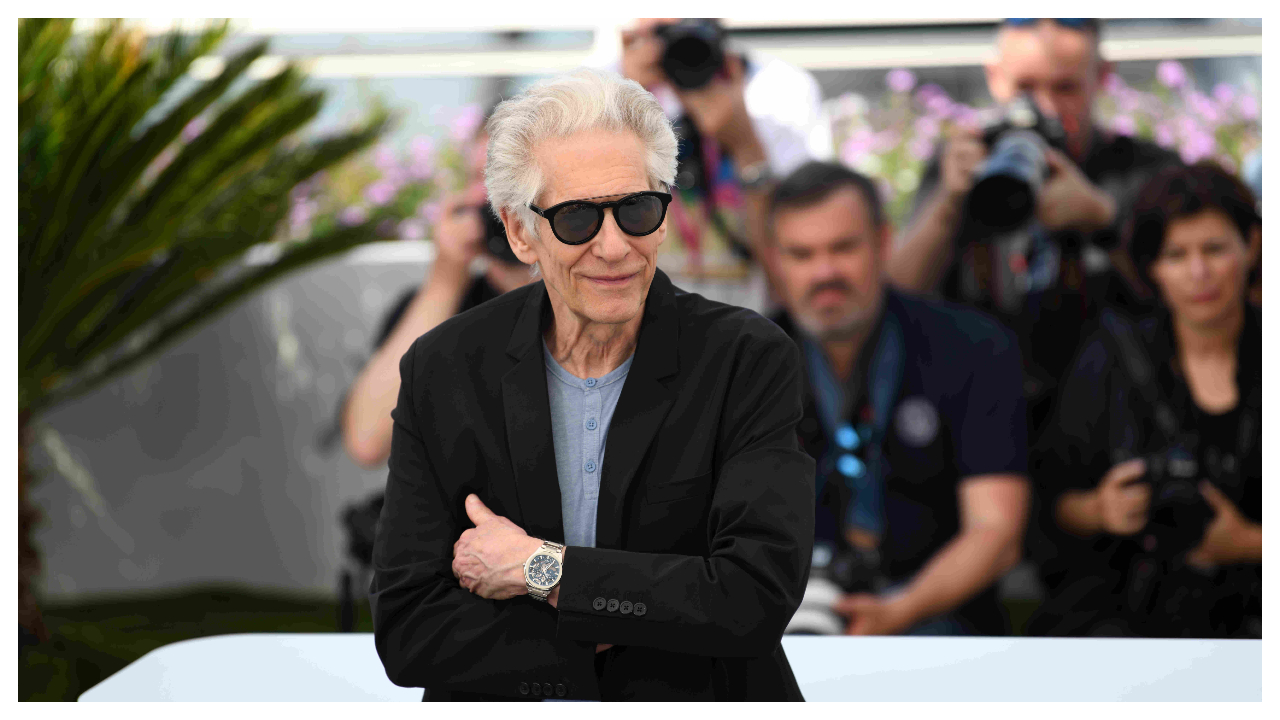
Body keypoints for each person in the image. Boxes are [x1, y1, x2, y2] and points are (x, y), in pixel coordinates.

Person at [370, 68, 814, 701]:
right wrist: (636, 610)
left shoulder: (746, 358)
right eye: (577, 218)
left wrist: (538, 569)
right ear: (519, 231)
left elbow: (753, 599)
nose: (614, 247)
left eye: (637, 210)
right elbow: (409, 631)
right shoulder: (444, 368)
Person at [764, 160, 1029, 636]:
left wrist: (900, 610)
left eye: (843, 248)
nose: (824, 272)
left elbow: (996, 532)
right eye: (801, 255)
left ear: (883, 242)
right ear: (776, 261)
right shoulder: (742, 363)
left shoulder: (974, 347)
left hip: (938, 618)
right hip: (788, 617)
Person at [889, 18, 1181, 442]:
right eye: (1025, 87)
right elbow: (896, 296)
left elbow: (1192, 298)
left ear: (1102, 77)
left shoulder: (1145, 171)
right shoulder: (962, 166)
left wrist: (1104, 220)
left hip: (1112, 420)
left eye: (1065, 88)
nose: (1044, 108)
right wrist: (948, 205)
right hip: (981, 419)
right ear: (995, 78)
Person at [1029, 162, 1262, 638]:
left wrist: (1250, 543)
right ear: (1153, 267)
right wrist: (1100, 509)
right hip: (1127, 614)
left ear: (1252, 245)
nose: (1199, 273)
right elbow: (1051, 502)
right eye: (1176, 255)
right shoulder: (1112, 355)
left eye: (1215, 249)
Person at [341, 122, 535, 469]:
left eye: (514, 177)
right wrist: (445, 280)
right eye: (483, 177)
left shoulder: (594, 303)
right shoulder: (439, 305)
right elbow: (368, 441)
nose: (499, 199)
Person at [617, 18, 832, 267]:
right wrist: (625, 105)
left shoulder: (780, 88)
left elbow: (804, 240)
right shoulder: (614, 82)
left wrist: (745, 145)